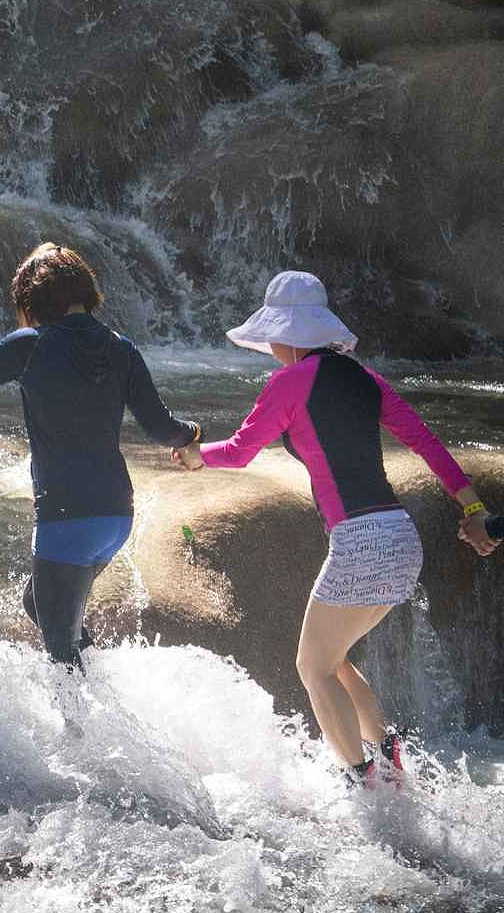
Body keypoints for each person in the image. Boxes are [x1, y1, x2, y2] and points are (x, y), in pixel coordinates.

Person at [174, 271, 496, 787]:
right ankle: (388, 765)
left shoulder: (288, 381)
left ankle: (360, 782)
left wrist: (195, 455)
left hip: (359, 542)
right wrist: (472, 506)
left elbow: (239, 451)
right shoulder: (366, 379)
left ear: (286, 332)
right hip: (400, 539)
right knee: (335, 657)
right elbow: (429, 444)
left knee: (312, 667)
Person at [0, 243, 199, 669]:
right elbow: (159, 426)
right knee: (39, 605)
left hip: (66, 517)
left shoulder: (32, 343)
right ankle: (108, 689)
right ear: (86, 291)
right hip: (116, 515)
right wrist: (192, 436)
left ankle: (91, 730)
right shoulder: (121, 347)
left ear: (31, 298)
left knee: (60, 653)